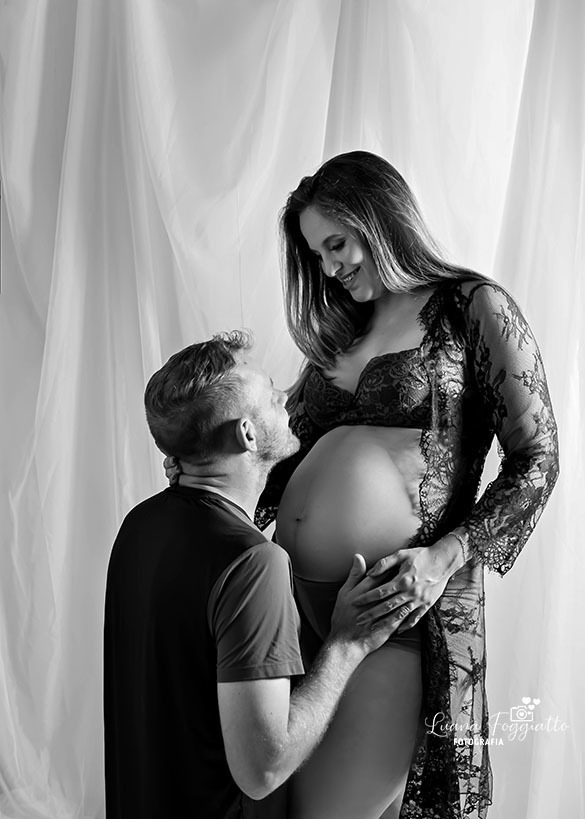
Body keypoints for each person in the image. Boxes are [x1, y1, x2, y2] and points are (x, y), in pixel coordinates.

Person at [251, 151, 560, 818]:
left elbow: (536, 459)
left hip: (395, 614)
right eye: (317, 254)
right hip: (293, 613)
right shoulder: (342, 329)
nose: (329, 267)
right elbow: (283, 453)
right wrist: (215, 468)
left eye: (337, 244)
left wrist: (441, 559)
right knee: (276, 798)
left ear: (379, 218)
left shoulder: (471, 307)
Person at [103, 330, 399, 819]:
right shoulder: (254, 564)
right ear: (247, 434)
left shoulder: (140, 525)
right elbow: (262, 771)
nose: (284, 396)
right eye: (269, 392)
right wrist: (347, 644)